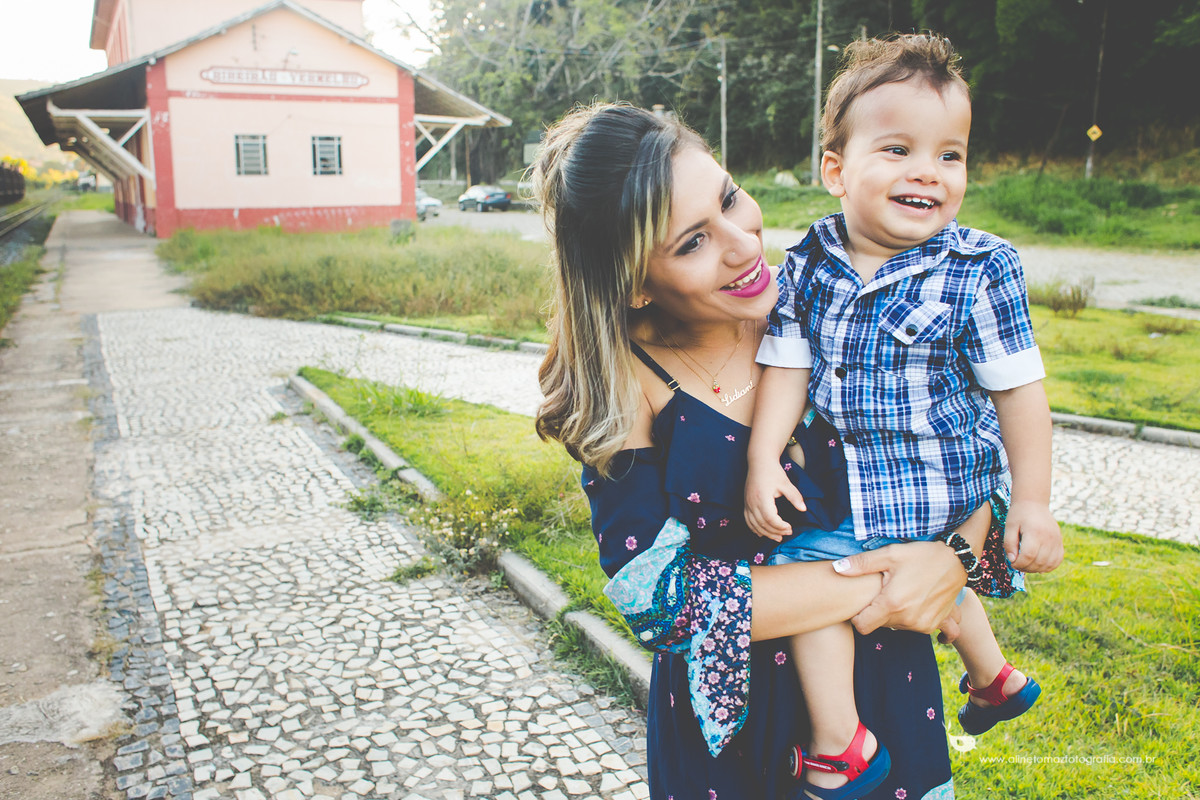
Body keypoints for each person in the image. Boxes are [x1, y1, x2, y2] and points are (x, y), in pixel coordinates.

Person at [531, 101, 1002, 800]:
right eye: (693, 242)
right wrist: (897, 580)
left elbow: (973, 453)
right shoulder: (628, 383)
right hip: (734, 730)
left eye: (729, 199)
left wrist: (955, 557)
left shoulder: (831, 297)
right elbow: (662, 604)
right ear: (632, 281)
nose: (745, 245)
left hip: (890, 683)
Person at [743, 34, 1064, 799]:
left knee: (806, 571)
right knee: (907, 579)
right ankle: (992, 678)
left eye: (950, 155)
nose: (928, 171)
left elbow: (1020, 391)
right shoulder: (811, 261)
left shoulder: (979, 267)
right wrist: (763, 458)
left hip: (944, 486)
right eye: (897, 149)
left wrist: (1034, 501)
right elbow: (786, 363)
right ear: (836, 171)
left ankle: (838, 744)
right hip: (866, 484)